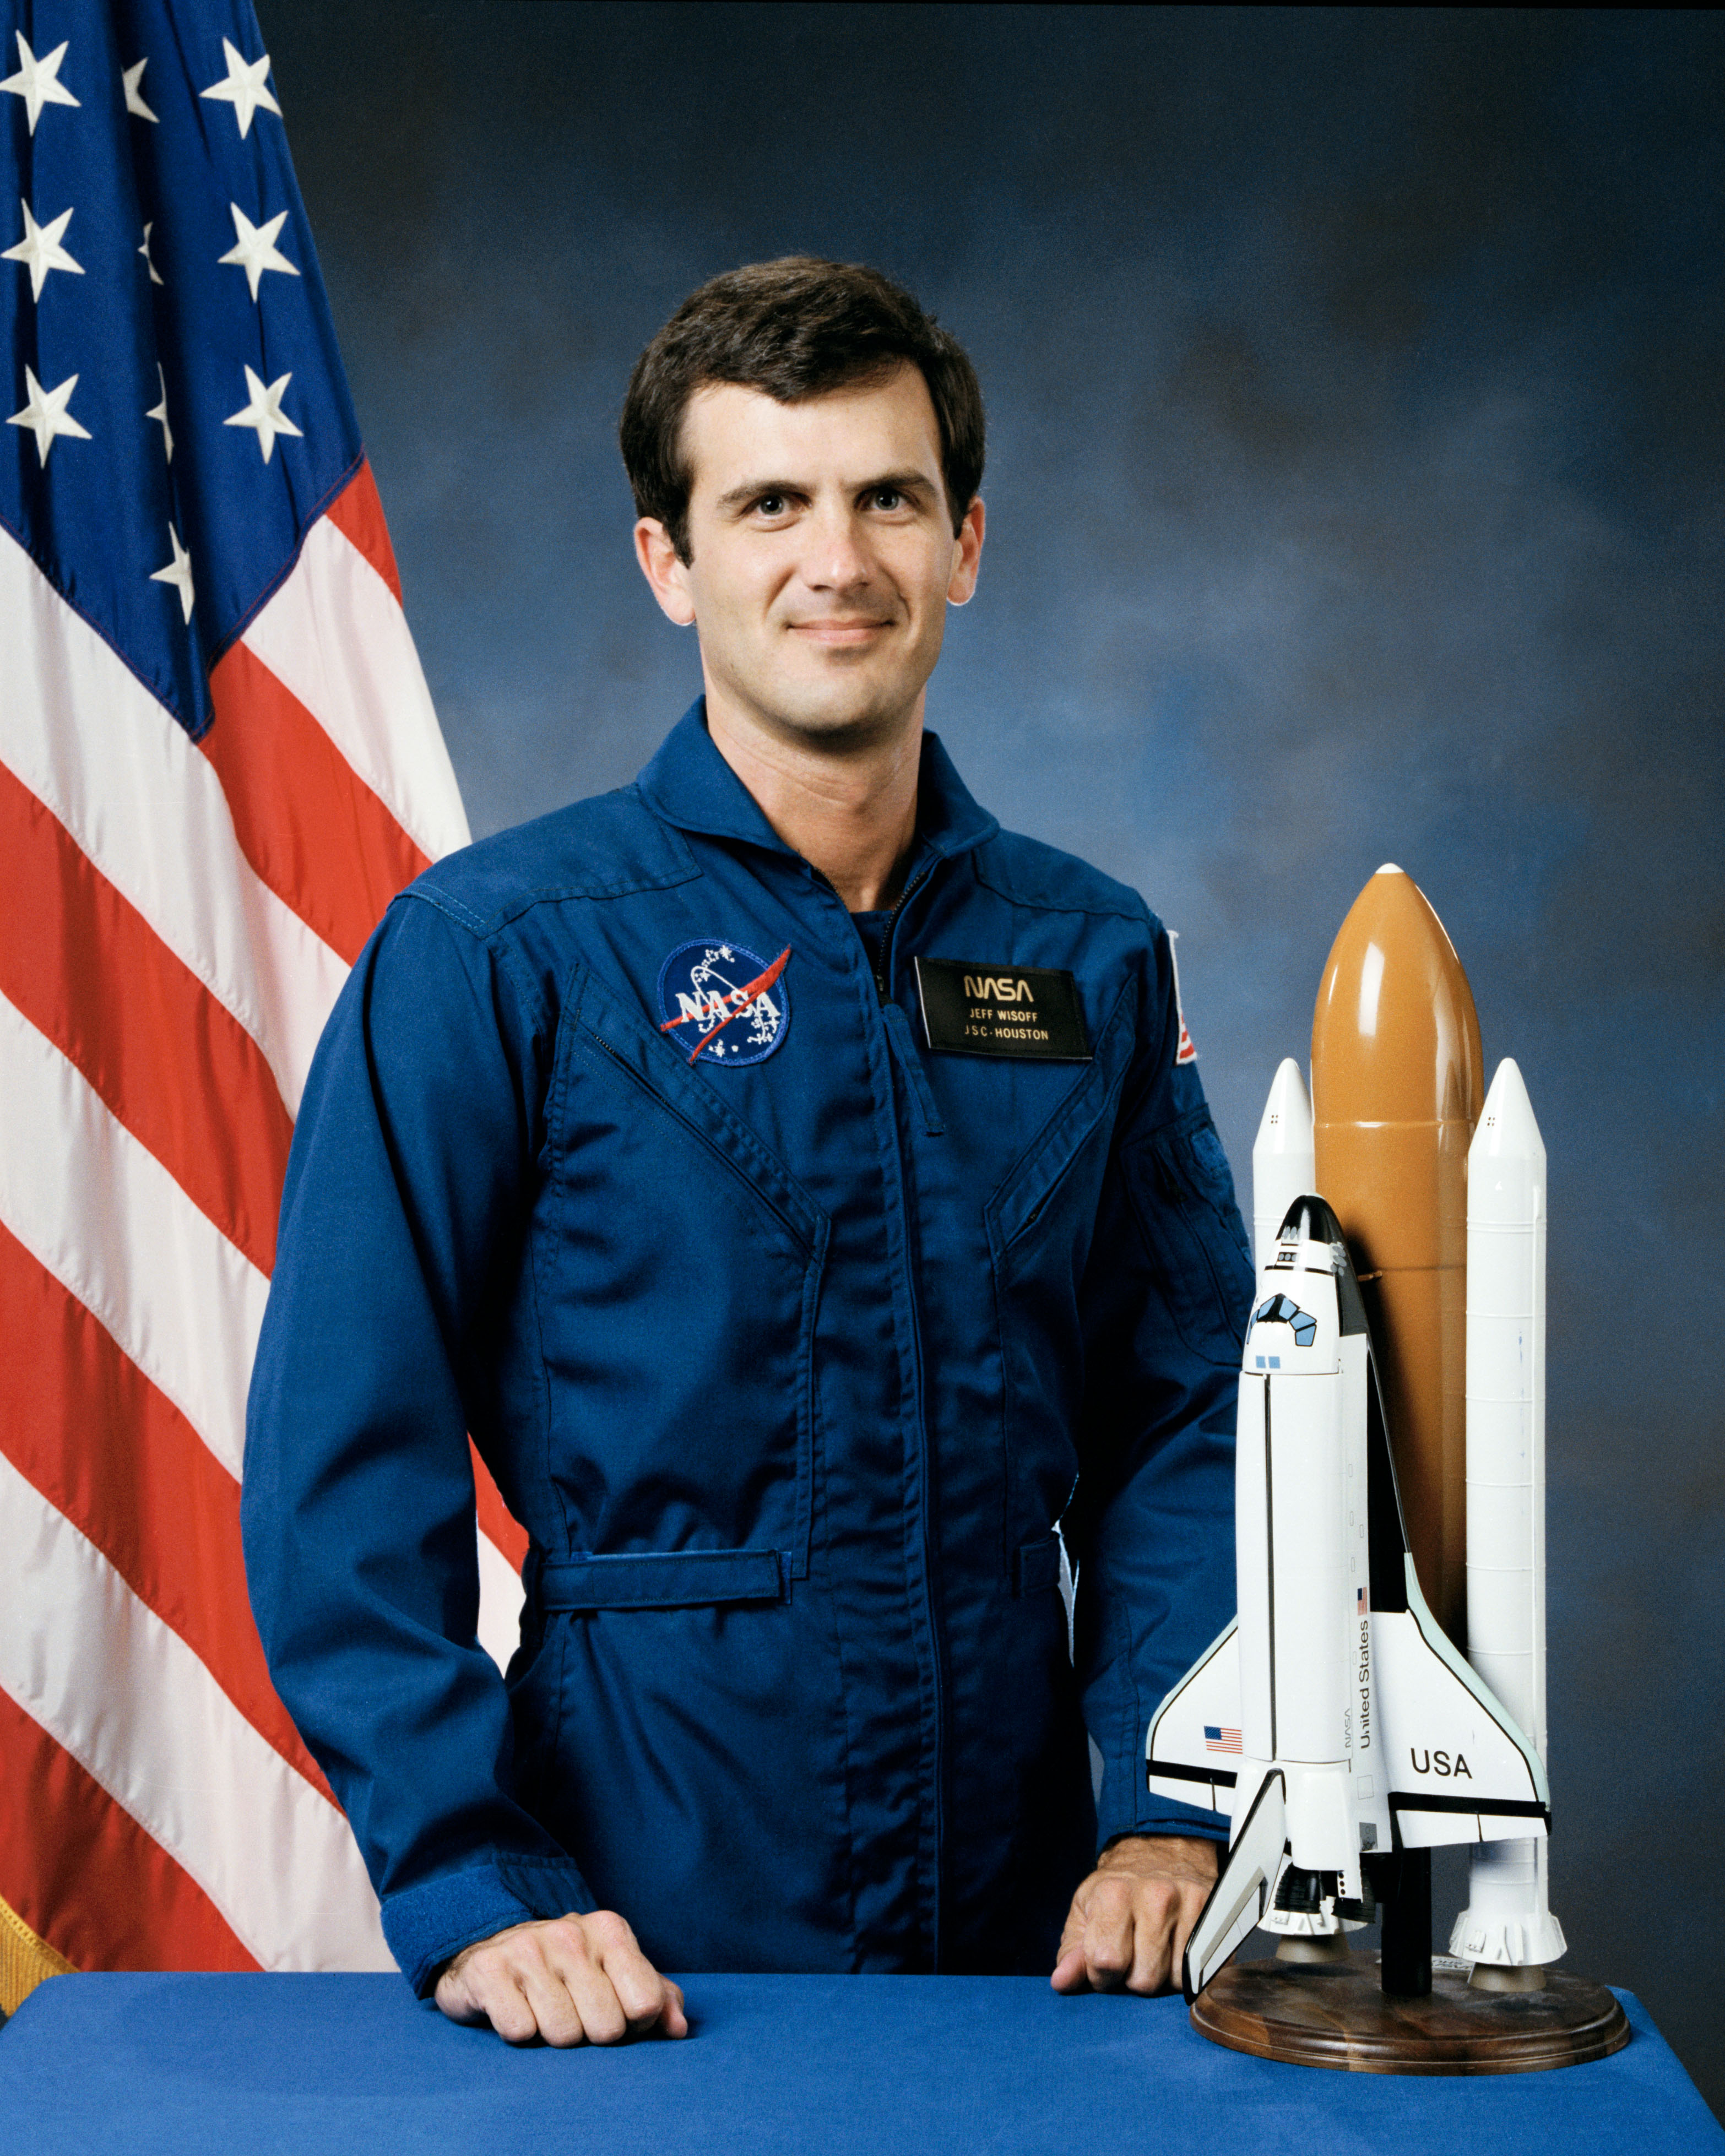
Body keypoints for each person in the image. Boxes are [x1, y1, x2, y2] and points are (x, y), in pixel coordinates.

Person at [242, 257, 1252, 2048]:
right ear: (669, 560)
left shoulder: (1085, 955)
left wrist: (1170, 1807)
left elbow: (1180, 1420)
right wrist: (476, 1885)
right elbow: (344, 1450)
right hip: (637, 1931)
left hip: (1039, 1942)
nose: (834, 558)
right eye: (768, 501)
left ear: (966, 544)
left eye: (888, 497)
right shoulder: (502, 952)